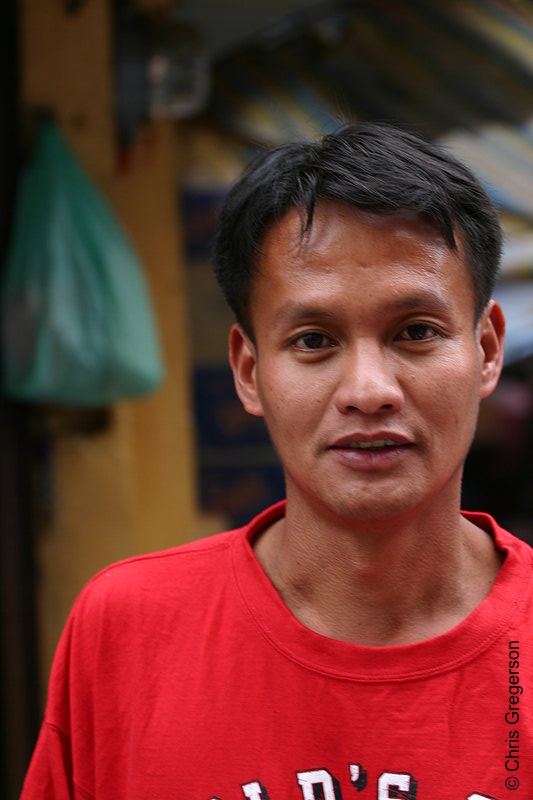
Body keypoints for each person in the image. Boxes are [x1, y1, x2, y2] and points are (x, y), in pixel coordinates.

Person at [21, 124, 532, 800]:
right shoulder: (129, 630)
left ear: (487, 350)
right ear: (249, 370)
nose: (368, 391)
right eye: (314, 340)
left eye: (415, 332)